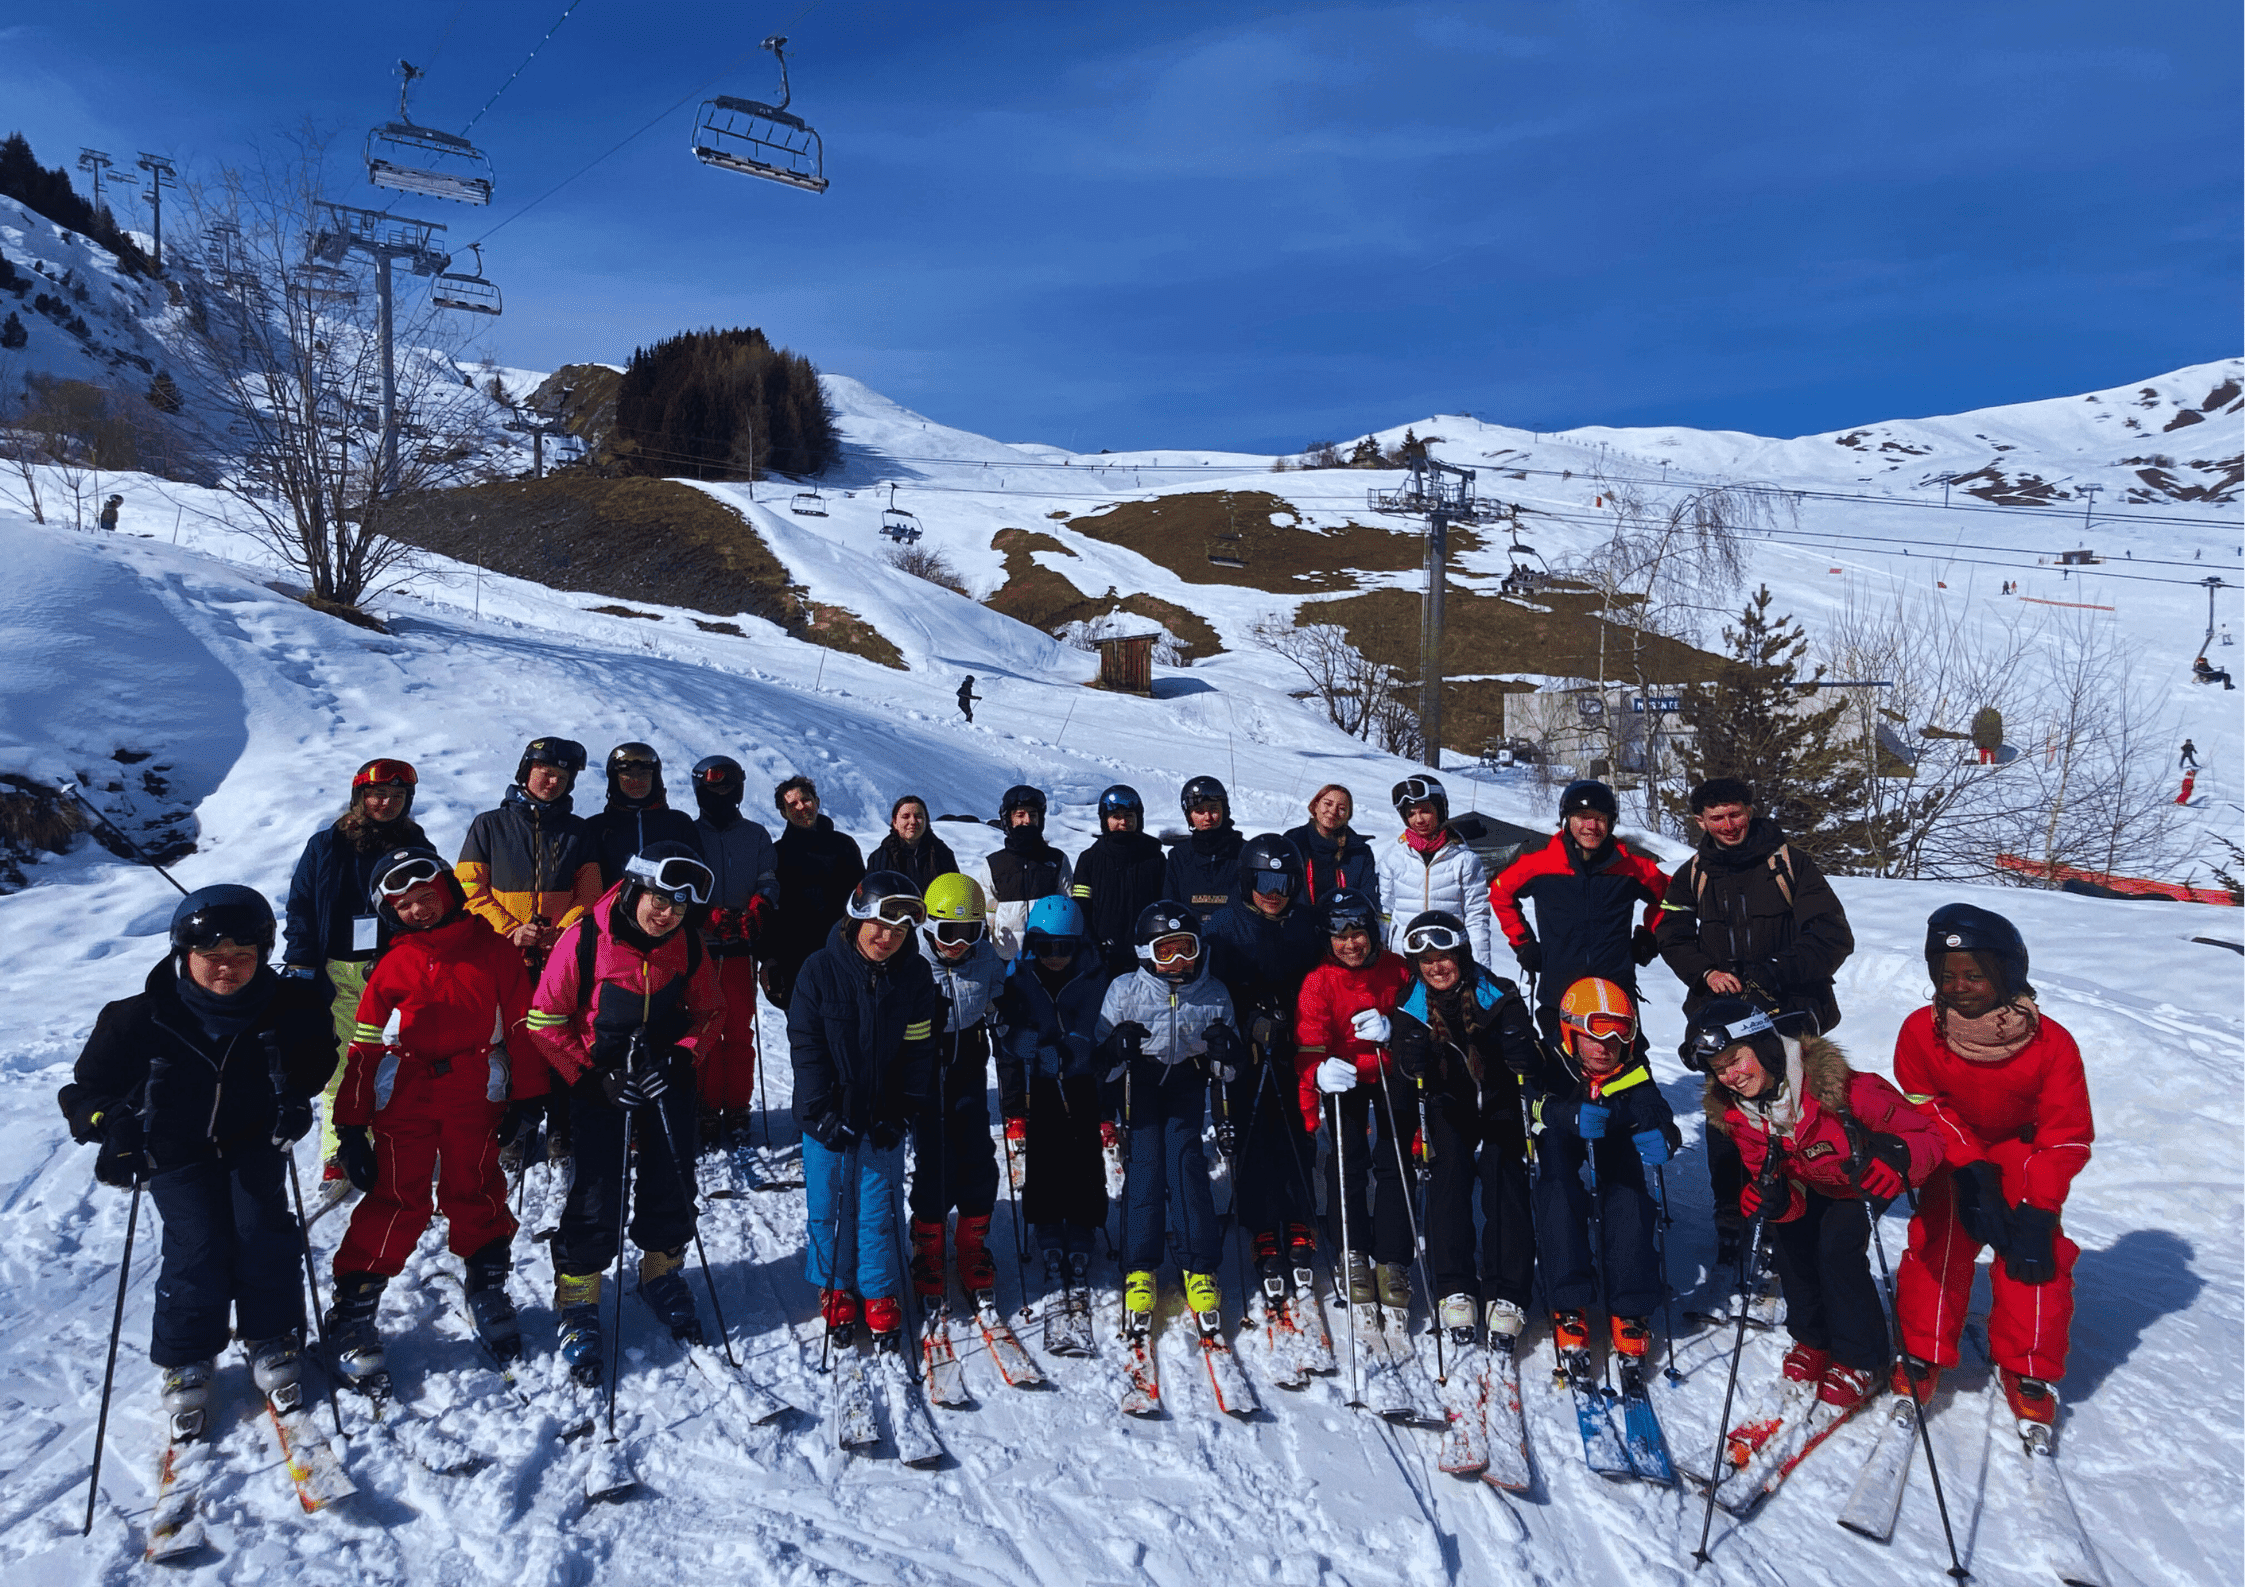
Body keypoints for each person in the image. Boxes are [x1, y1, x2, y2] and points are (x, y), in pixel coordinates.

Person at [58, 886, 335, 1432]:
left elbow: (312, 1066)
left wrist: (295, 1103)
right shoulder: (137, 1018)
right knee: (197, 1243)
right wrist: (113, 1126)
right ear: (184, 954)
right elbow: (84, 1091)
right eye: (211, 956)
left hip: (253, 1141)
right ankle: (188, 1354)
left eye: (243, 956)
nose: (227, 968)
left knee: (260, 1230)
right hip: (174, 1149)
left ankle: (270, 1334)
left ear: (262, 955)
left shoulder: (288, 1009)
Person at [325, 849, 540, 1378]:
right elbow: (364, 1047)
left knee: (476, 1187)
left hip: (476, 1088)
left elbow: (521, 1026)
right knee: (398, 1196)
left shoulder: (494, 951)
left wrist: (530, 1096)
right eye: (404, 906)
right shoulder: (393, 964)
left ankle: (487, 1285)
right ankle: (354, 1307)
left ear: (448, 889)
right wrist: (350, 1126)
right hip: (406, 1093)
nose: (418, 910)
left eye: (426, 897)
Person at [523, 843, 726, 1381]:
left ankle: (660, 1271)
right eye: (660, 900)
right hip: (598, 1081)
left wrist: (682, 1058)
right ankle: (578, 1296)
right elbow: (543, 1021)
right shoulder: (586, 937)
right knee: (597, 1191)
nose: (668, 914)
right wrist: (590, 1077)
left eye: (680, 906)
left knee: (673, 1179)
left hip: (663, 1076)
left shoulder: (687, 943)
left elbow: (711, 1012)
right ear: (635, 889)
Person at [1891, 905, 2093, 1430]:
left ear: (2006, 973)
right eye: (1947, 975)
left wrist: (2040, 1208)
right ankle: (1922, 1347)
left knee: (2033, 1251)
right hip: (1955, 1149)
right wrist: (1969, 1167)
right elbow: (1923, 1102)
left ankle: (2029, 1366)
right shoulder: (1921, 1031)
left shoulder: (2052, 1042)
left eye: (1974, 975)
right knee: (1940, 1234)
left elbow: (2066, 1133)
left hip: (2024, 1152)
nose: (1959, 987)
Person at [1687, 999, 1941, 1415]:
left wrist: (1899, 1158)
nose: (1732, 1076)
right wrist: (1773, 1199)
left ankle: (1861, 1358)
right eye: (1720, 1069)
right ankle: (1812, 1339)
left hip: (1864, 1178)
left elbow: (1925, 1135)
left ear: (1764, 1046)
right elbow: (1764, 1170)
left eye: (1736, 1060)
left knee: (1837, 1249)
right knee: (1790, 1243)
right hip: (1810, 1182)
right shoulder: (1739, 1116)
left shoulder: (1843, 1088)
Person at [1654, 775, 1855, 1262]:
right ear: (1700, 821)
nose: (1728, 825)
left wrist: (1776, 971)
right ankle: (1731, 1215)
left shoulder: (1789, 864)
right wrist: (1705, 972)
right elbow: (1671, 933)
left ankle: (1796, 1209)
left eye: (1735, 814)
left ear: (1750, 810)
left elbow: (1832, 935)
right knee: (1727, 1118)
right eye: (1717, 818)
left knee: (1793, 1116)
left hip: (1787, 1011)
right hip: (1722, 1016)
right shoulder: (1693, 873)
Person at [787, 872, 942, 1355]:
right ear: (856, 919)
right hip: (827, 1118)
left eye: (899, 930)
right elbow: (806, 1047)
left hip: (882, 1115)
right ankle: (834, 1285)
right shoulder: (818, 970)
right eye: (879, 925)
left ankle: (878, 1288)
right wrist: (821, 1111)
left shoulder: (915, 976)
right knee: (828, 1205)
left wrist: (903, 1108)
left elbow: (919, 1049)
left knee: (878, 1206)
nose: (887, 938)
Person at [1387, 910, 1544, 1348]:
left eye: (1444, 957)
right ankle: (1454, 1285)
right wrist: (1410, 1062)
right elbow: (1402, 1073)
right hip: (1448, 1105)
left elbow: (1533, 1058)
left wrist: (1523, 1053)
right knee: (1449, 1173)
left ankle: (1508, 1291)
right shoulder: (1410, 1005)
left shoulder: (1500, 994)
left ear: (1462, 955)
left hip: (1497, 1102)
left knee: (1504, 1174)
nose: (1436, 968)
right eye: (1425, 961)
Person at [280, 757, 430, 1198]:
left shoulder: (414, 843)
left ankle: (398, 1140)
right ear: (359, 797)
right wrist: (301, 961)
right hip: (340, 971)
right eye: (378, 794)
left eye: (397, 796)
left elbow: (433, 901)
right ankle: (339, 1151)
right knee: (344, 1064)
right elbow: (301, 905)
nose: (387, 803)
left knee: (406, 1060)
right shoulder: (327, 844)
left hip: (397, 968)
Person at [1097, 899, 1241, 1340]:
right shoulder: (1125, 990)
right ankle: (1140, 1266)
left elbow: (1228, 1071)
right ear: (1146, 953)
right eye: (1166, 951)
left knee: (1185, 1165)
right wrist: (1116, 1047)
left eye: (1187, 948)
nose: (1179, 960)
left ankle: (1199, 1266)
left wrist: (1225, 1051)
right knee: (1145, 1166)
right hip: (1141, 1085)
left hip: (1185, 1085)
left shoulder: (1213, 992)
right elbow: (1102, 1066)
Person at [1202, 833, 1326, 1308]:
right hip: (1246, 1049)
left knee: (1295, 1128)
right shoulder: (1224, 927)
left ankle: (1297, 1214)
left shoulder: (1305, 925)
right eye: (1263, 882)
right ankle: (1260, 1222)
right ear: (1245, 881)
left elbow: (1320, 981)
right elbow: (1211, 993)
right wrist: (1248, 1020)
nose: (1274, 893)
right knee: (1253, 1133)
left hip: (1294, 1041)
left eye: (1284, 883)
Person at [1529, 977, 1678, 1370]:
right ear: (1571, 1033)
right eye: (1594, 1038)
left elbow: (1653, 1106)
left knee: (1629, 1196)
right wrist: (1563, 1113)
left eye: (1616, 1039)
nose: (1604, 1048)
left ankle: (1630, 1305)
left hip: (1613, 1133)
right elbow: (1527, 1100)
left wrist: (1665, 1133)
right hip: (1561, 1132)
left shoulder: (1631, 1067)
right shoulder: (1548, 1058)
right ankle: (1568, 1300)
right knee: (1558, 1191)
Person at [1294, 889, 1416, 1322]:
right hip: (1344, 1074)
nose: (1351, 944)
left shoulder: (1397, 970)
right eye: (1340, 937)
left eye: (1358, 934)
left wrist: (1394, 1028)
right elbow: (1307, 1044)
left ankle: (1393, 1256)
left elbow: (1422, 1021)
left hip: (1389, 1069)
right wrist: (1317, 1072)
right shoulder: (1319, 981)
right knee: (1347, 1159)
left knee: (1395, 1158)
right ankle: (1352, 1248)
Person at [993, 895, 1111, 1331]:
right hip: (1040, 1080)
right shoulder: (1021, 974)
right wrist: (1025, 1043)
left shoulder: (1093, 974)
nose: (1055, 957)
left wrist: (1077, 1047)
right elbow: (1007, 1025)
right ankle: (1045, 1220)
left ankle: (1083, 1221)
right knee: (1044, 1150)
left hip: (1081, 1079)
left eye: (1064, 948)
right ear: (1032, 945)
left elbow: (1099, 1024)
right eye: (1046, 948)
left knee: (1083, 1150)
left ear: (1078, 946)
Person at [1489, 778, 1666, 1052]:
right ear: (1567, 820)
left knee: (1624, 1062)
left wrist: (1648, 935)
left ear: (1611, 823)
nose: (1591, 826)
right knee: (1561, 1064)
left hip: (1615, 987)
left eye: (1600, 818)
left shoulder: (1631, 867)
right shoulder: (1541, 864)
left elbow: (1670, 898)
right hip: (1558, 989)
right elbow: (1500, 892)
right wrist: (1522, 942)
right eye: (1582, 817)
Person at [907, 874, 1007, 1315]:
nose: (959, 945)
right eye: (949, 933)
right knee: (934, 1157)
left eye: (971, 933)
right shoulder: (911, 958)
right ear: (929, 926)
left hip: (967, 1062)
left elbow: (998, 994)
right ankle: (927, 1244)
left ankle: (971, 1243)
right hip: (924, 1068)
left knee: (977, 1153)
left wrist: (1005, 1015)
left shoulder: (984, 958)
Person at [686, 755, 777, 1150]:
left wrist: (761, 905)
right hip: (701, 949)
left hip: (740, 948)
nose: (720, 795)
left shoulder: (755, 835)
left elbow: (769, 878)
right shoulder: (689, 834)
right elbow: (681, 883)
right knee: (704, 1029)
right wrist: (704, 915)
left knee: (738, 1031)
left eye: (727, 788)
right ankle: (707, 1105)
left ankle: (737, 1105)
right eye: (712, 789)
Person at [456, 736, 601, 971]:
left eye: (563, 778)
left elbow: (590, 893)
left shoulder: (579, 831)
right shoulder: (489, 825)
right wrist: (510, 930)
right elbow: (468, 887)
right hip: (499, 951)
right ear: (526, 771)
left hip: (559, 956)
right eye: (547, 773)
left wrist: (562, 931)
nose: (554, 782)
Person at [764, 775, 866, 1010]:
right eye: (792, 804)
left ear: (817, 802)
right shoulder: (777, 854)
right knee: (804, 1027)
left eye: (806, 800)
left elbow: (861, 900)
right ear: (783, 813)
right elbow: (769, 910)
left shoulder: (845, 846)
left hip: (842, 954)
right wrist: (768, 957)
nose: (801, 807)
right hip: (794, 960)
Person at [1377, 774, 1497, 970]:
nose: (1418, 819)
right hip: (1404, 956)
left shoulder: (1464, 860)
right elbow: (1385, 911)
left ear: (1440, 810)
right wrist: (1381, 958)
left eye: (1425, 811)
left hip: (1447, 955)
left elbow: (1477, 918)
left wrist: (1480, 968)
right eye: (1411, 814)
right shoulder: (1393, 857)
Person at [1071, 785, 1168, 974]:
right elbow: (1081, 907)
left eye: (1129, 816)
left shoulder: (1155, 858)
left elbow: (1164, 903)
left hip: (1147, 956)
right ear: (1104, 819)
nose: (1123, 822)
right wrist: (1092, 946)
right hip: (1101, 956)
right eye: (1116, 816)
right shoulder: (1089, 859)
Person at [583, 743, 702, 887]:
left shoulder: (679, 823)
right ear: (615, 778)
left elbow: (697, 876)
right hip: (610, 900)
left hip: (665, 901)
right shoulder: (595, 828)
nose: (636, 780)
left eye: (644, 774)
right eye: (628, 774)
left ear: (655, 777)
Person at [979, 784, 1072, 961]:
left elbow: (1068, 904)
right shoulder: (994, 863)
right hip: (1006, 956)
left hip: (1047, 956)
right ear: (1008, 820)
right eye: (1020, 815)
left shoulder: (1057, 860)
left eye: (1033, 815)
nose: (1027, 821)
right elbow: (988, 910)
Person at [1285, 782, 1381, 911]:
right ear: (1315, 806)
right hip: (1298, 919)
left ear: (1348, 815)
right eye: (1328, 804)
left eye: (1342, 808)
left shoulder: (1359, 851)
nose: (1333, 811)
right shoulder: (1294, 842)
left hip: (1344, 920)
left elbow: (1367, 899)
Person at [1164, 774, 1245, 921]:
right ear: (1189, 816)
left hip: (1235, 933)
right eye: (1199, 811)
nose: (1207, 817)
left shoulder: (1245, 852)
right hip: (1190, 933)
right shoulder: (1179, 856)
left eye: (1213, 809)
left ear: (1224, 810)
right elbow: (1170, 907)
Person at [869, 795, 959, 892]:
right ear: (894, 822)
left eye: (918, 816)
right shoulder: (879, 858)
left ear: (926, 821)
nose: (912, 821)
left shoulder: (943, 854)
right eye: (905, 817)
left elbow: (955, 893)